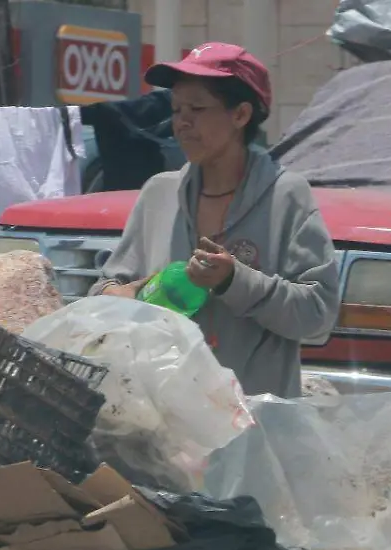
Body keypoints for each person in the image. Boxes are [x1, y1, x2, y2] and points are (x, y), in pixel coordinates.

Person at [88, 42, 341, 399]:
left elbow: (317, 317)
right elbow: (107, 287)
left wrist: (235, 281)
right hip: (164, 425)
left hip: (250, 428)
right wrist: (118, 295)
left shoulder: (285, 196)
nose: (182, 123)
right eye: (176, 109)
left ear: (240, 115)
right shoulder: (159, 194)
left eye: (197, 108)